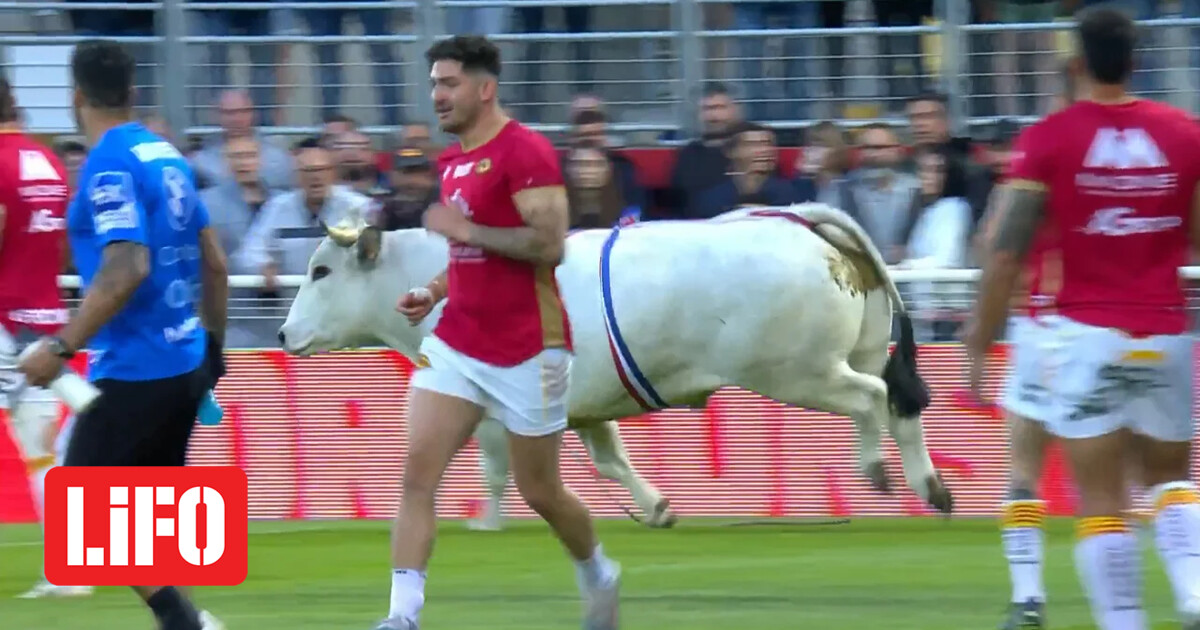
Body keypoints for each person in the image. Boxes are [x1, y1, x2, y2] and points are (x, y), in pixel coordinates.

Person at [966, 8, 1200, 629]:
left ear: (1074, 65)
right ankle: (1195, 592)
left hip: (1077, 334)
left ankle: (1117, 619)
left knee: (1100, 499)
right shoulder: (1185, 134)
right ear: (1137, 63)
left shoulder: (1047, 140)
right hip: (1168, 330)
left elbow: (1004, 251)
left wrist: (976, 342)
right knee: (1173, 480)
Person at [379, 35, 620, 630]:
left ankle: (597, 571)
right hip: (459, 340)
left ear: (485, 89)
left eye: (449, 83)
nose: (437, 95)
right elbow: (470, 247)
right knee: (417, 471)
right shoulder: (454, 159)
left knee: (540, 491)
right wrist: (434, 291)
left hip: (528, 346)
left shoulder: (525, 152)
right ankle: (402, 617)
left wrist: (464, 229)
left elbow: (549, 246)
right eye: (434, 82)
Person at [17, 39, 229, 630]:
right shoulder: (165, 154)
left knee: (78, 512)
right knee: (139, 523)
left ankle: (187, 623)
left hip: (139, 368)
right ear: (132, 92)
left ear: (76, 96)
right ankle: (190, 622)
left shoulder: (109, 163)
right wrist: (213, 346)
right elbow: (213, 260)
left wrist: (61, 347)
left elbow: (127, 267)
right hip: (185, 360)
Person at [0, 77, 84, 600]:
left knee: (39, 449)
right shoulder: (48, 161)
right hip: (44, 316)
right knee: (40, 450)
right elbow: (65, 246)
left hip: (4, 318)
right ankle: (68, 572)